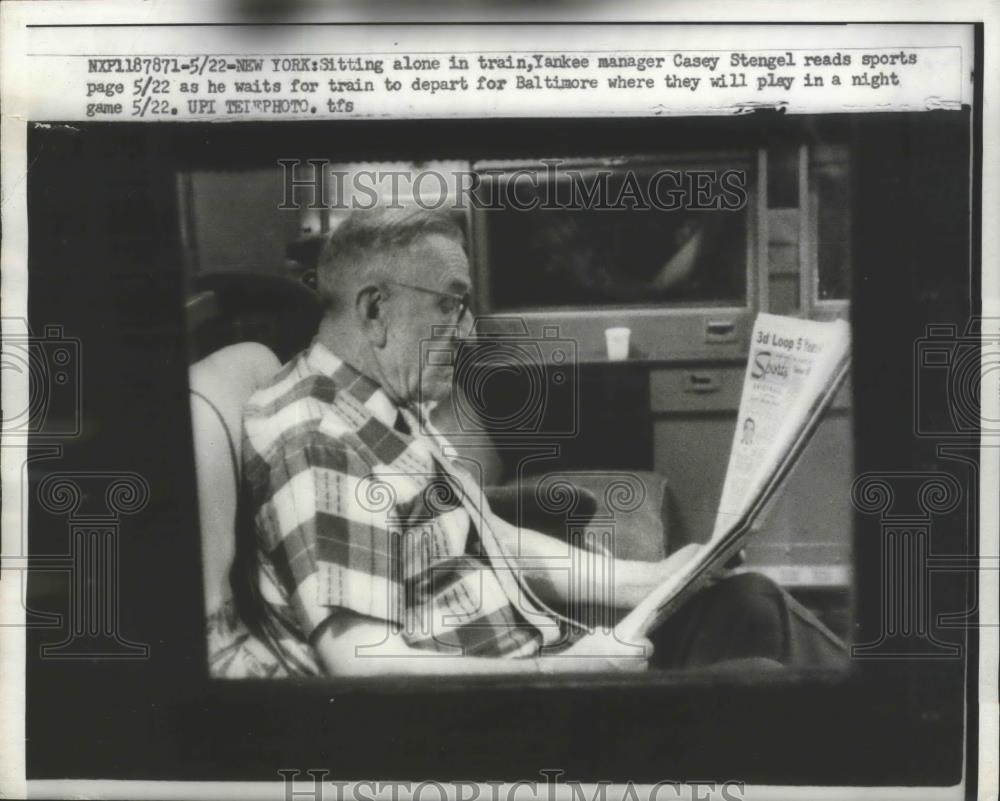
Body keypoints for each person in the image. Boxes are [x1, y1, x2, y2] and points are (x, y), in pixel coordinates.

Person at [229, 206, 846, 678]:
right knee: (767, 686)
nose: (467, 334)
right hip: (513, 717)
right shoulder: (316, 438)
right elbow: (362, 661)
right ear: (373, 311)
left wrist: (653, 576)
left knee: (749, 603)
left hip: (542, 662)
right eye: (451, 306)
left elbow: (495, 542)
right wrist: (565, 673)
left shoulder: (383, 403)